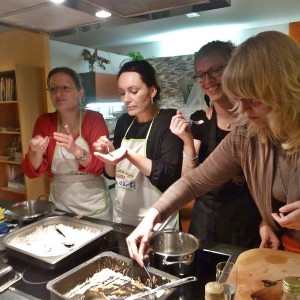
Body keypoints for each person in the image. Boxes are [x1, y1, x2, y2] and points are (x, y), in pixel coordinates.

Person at [126, 31, 300, 266]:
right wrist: (152, 217)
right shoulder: (247, 136)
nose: (244, 111)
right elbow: (194, 181)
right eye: (238, 99)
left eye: (253, 99)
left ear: (284, 89)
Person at [170, 41, 261, 248]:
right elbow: (189, 181)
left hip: (250, 225)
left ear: (234, 67)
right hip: (206, 226)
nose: (208, 80)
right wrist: (187, 141)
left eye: (216, 70)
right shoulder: (199, 120)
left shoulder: (258, 120)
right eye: (200, 74)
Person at [93, 60, 183, 229]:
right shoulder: (124, 122)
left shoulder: (167, 121)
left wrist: (128, 154)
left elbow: (167, 177)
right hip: (123, 217)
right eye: (122, 93)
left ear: (152, 91)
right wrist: (109, 154)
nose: (126, 99)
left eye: (133, 91)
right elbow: (112, 174)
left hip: (157, 222)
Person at [22, 67, 111, 220]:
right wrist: (35, 153)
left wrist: (77, 151)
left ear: (80, 93)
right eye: (53, 89)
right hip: (60, 205)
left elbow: (100, 167)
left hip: (94, 205)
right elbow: (31, 172)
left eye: (65, 88)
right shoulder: (44, 122)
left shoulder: (94, 119)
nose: (58, 94)